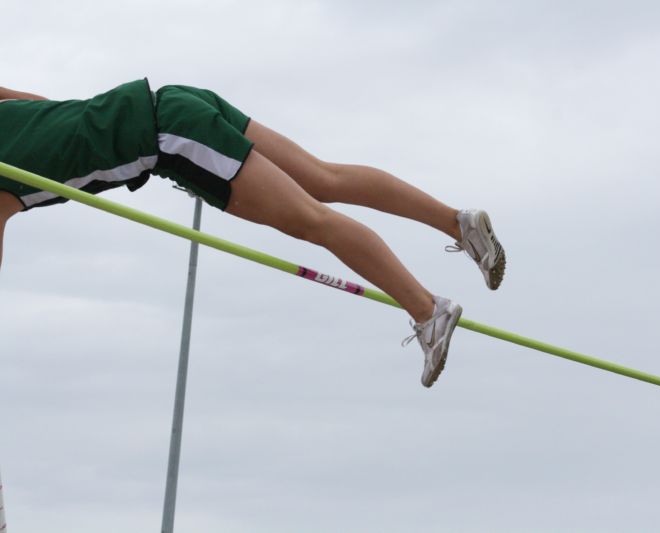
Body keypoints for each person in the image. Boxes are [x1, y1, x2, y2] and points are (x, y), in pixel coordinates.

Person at [0, 79, 506, 388]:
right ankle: (457, 223)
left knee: (311, 220)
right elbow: (46, 107)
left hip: (169, 138)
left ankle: (426, 308)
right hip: (175, 102)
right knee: (322, 178)